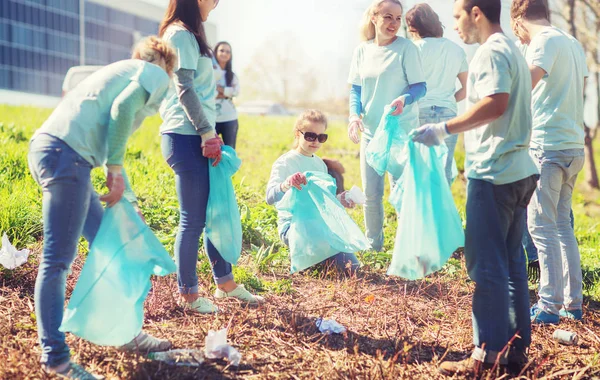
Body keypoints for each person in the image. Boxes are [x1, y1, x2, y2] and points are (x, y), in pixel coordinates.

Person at [28, 36, 177, 379]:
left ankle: (125, 333)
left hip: (53, 153)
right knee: (56, 262)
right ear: (165, 65)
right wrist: (115, 168)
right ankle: (56, 359)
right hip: (66, 158)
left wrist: (127, 197)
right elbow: (122, 111)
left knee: (112, 247)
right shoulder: (153, 74)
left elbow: (102, 134)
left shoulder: (118, 70)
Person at [412, 0, 539, 375]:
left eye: (457, 16)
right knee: (512, 264)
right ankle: (514, 350)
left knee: (487, 267)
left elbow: (496, 104)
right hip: (518, 171)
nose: (454, 26)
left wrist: (443, 128)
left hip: (495, 173)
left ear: (476, 13)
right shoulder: (514, 50)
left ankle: (484, 357)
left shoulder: (492, 52)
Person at [158, 0, 263, 314]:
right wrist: (207, 133)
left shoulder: (191, 34)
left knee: (214, 211)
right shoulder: (179, 34)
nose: (217, 3)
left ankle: (225, 284)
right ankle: (188, 295)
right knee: (192, 220)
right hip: (185, 136)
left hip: (198, 134)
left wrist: (210, 132)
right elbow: (184, 89)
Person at [511, 0, 588, 324]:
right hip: (573, 147)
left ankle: (548, 305)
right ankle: (572, 303)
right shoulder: (571, 43)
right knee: (561, 226)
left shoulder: (542, 42)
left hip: (548, 147)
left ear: (517, 19)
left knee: (540, 226)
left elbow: (521, 89)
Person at [347, 0, 427, 251]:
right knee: (371, 194)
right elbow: (356, 90)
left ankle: (406, 249)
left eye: (398, 18)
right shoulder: (362, 50)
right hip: (372, 133)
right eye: (388, 17)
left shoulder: (407, 49)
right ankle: (374, 247)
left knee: (401, 194)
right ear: (374, 17)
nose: (394, 23)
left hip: (400, 131)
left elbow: (419, 86)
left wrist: (404, 99)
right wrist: (353, 116)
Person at [266, 110, 360, 274]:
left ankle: (314, 257)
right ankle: (306, 256)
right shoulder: (285, 162)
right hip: (293, 226)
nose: (316, 141)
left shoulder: (320, 165)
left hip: (319, 226)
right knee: (338, 267)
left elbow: (323, 201)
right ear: (298, 134)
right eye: (310, 136)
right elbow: (269, 197)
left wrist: (340, 199)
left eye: (321, 137)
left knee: (352, 268)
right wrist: (287, 184)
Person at [405, 3, 468, 185]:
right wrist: (449, 100)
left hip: (419, 112)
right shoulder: (457, 50)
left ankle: (420, 212)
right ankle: (441, 212)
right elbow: (467, 88)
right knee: (444, 171)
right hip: (448, 116)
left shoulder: (412, 49)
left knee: (418, 169)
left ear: (414, 27)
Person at [213, 41, 240, 148]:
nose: (224, 53)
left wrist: (219, 89)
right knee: (210, 151)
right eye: (222, 50)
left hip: (230, 118)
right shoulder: (209, 73)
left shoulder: (232, 75)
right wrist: (227, 92)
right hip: (211, 119)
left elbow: (236, 91)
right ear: (215, 53)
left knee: (229, 150)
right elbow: (208, 92)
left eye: (228, 51)